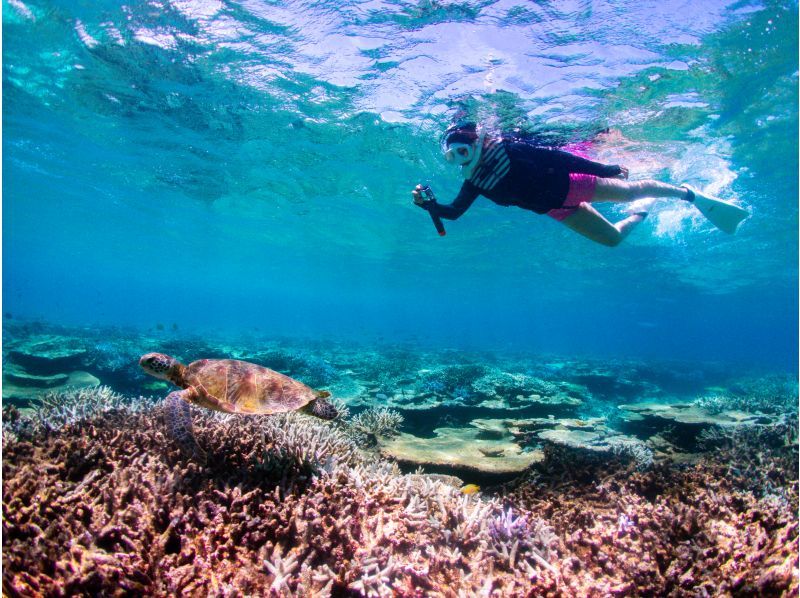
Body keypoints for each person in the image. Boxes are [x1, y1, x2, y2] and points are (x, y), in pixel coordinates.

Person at [413, 123, 747, 245]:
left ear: (476, 138)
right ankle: (641, 214)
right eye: (454, 152)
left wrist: (605, 167)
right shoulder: (474, 180)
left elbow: (559, 158)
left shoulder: (509, 148)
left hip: (574, 185)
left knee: (631, 189)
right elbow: (454, 213)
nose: (461, 154)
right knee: (613, 239)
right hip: (556, 209)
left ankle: (690, 195)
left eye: (464, 144)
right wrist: (430, 205)